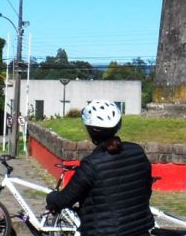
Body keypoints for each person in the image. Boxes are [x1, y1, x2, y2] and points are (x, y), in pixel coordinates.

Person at [45, 100, 154, 236]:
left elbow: (64, 200)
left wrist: (51, 197)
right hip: (139, 229)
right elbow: (147, 189)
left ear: (91, 131)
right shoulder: (137, 151)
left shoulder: (91, 165)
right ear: (118, 125)